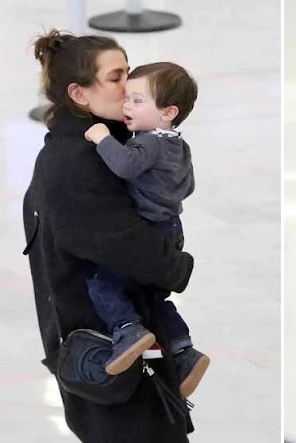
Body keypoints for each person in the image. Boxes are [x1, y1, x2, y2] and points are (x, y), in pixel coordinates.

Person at [23, 29, 195, 442]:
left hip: (125, 343)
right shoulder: (73, 163)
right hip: (103, 352)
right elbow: (120, 241)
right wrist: (179, 266)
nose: (130, 85)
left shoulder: (113, 142)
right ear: (80, 95)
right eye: (116, 77)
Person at [82, 61, 210, 398]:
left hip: (148, 230)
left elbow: (125, 165)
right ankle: (183, 350)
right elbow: (189, 186)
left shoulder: (148, 143)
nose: (126, 106)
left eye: (138, 101)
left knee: (104, 284)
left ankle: (127, 330)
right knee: (154, 295)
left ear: (168, 112)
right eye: (127, 99)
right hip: (172, 228)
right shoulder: (179, 146)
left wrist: (103, 138)